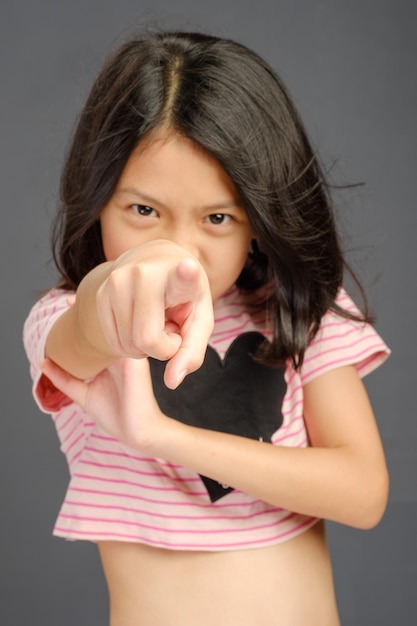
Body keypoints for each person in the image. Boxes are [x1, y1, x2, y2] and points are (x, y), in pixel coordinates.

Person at [23, 30, 390, 626]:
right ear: (97, 199)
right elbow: (90, 323)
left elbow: (364, 492)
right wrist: (121, 289)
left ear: (259, 220)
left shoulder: (298, 311)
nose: (178, 252)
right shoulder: (68, 322)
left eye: (217, 217)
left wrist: (164, 437)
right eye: (143, 211)